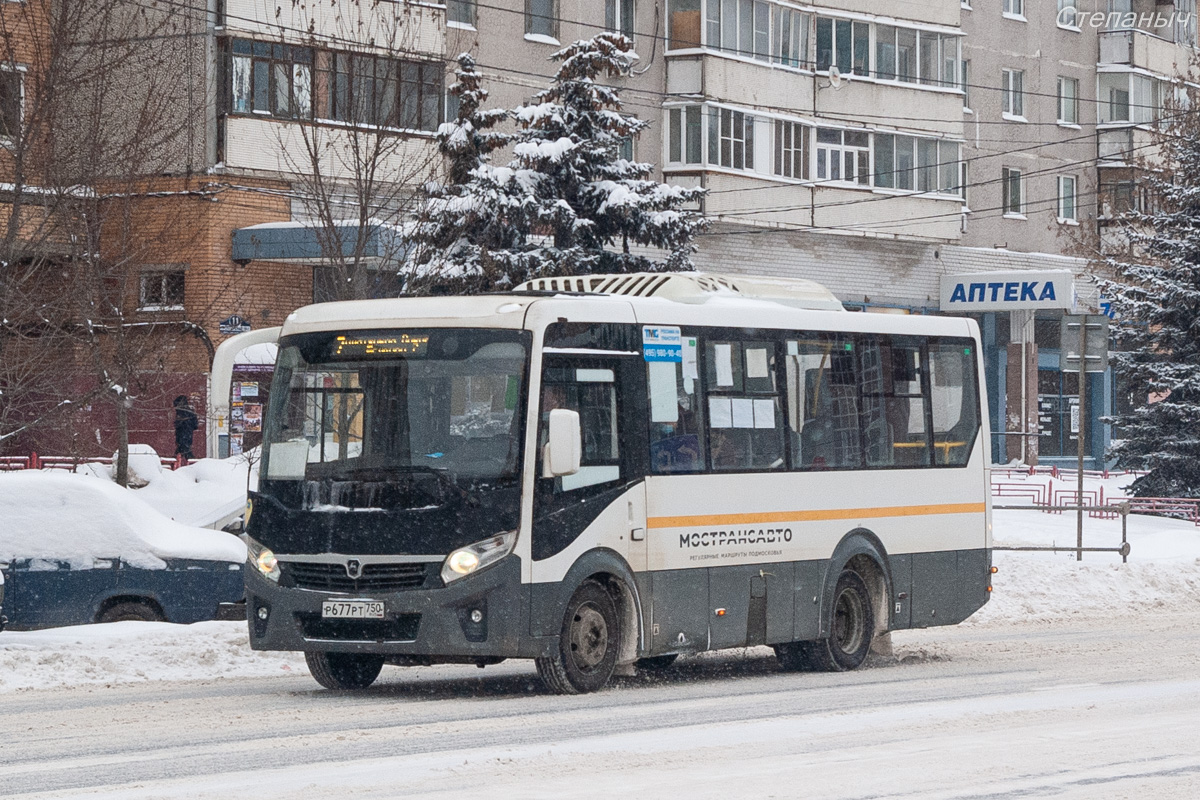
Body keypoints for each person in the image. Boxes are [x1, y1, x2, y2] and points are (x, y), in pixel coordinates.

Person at [173, 395, 198, 463]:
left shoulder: (181, 413)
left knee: (184, 453)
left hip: (182, 436)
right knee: (184, 452)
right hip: (188, 436)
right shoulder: (190, 412)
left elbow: (177, 425)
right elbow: (196, 425)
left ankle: (194, 465)